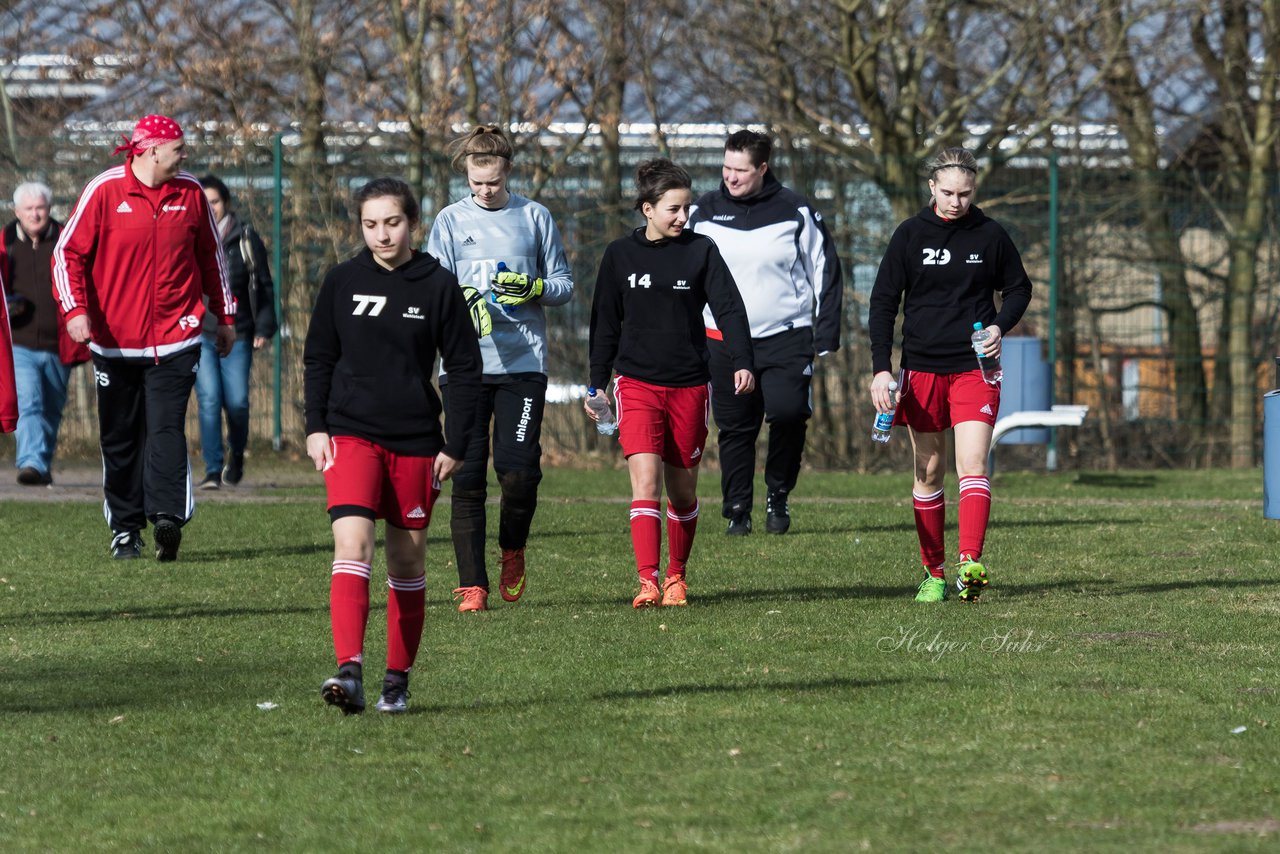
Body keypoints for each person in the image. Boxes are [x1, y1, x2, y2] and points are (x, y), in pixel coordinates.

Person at [304, 177, 483, 714]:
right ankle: (349, 670)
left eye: (393, 222)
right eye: (371, 224)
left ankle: (396, 682)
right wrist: (316, 426)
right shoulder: (341, 281)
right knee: (352, 545)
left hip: (416, 443)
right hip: (350, 433)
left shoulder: (438, 285)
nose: (382, 234)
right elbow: (318, 360)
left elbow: (467, 370)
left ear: (413, 223)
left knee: (406, 565)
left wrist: (456, 441)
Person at [52, 115, 236, 561]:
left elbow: (212, 257)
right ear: (151, 149)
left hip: (177, 337)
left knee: (167, 427)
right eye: (178, 147)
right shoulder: (104, 190)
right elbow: (66, 253)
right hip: (114, 342)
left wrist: (225, 316)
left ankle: (168, 517)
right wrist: (75, 311)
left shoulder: (190, 192)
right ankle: (125, 528)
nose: (184, 155)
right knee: (120, 436)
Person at [587, 158, 755, 608]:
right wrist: (596, 383)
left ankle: (677, 577)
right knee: (646, 483)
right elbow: (604, 323)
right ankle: (648, 580)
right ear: (647, 209)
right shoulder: (620, 256)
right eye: (674, 209)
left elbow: (730, 308)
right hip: (636, 383)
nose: (683, 218)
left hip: (690, 386)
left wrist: (742, 360)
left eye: (687, 209)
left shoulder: (701, 250)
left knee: (682, 491)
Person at [867, 147, 1032, 603]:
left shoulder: (990, 234)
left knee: (973, 464)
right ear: (931, 188)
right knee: (929, 469)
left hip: (975, 369)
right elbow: (882, 303)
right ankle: (934, 572)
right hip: (921, 369)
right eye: (948, 192)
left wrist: (1000, 325)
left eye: (966, 193)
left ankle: (969, 562)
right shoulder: (909, 235)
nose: (957, 201)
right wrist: (882, 370)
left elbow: (1019, 288)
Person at [425, 124, 574, 612]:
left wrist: (533, 288)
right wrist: (462, 298)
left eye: (491, 181)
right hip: (464, 367)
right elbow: (431, 290)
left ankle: (514, 548)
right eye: (475, 181)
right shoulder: (448, 221)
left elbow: (564, 284)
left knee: (518, 472)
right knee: (466, 476)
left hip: (523, 365)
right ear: (465, 173)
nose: (483, 190)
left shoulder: (534, 217)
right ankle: (473, 585)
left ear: (507, 171)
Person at [688, 129, 843, 536]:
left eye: (740, 170)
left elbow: (825, 267)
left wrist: (826, 333)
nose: (730, 177)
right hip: (721, 339)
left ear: (762, 167)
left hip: (786, 334)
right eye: (725, 167)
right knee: (735, 427)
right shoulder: (702, 211)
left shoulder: (795, 210)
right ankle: (738, 509)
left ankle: (779, 491)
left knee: (789, 413)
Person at [194, 174, 278, 489]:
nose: (209, 207)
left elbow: (264, 284)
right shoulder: (189, 236)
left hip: (238, 330)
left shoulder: (245, 237)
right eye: (203, 202)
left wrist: (265, 326)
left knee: (238, 401)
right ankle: (213, 469)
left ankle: (237, 454)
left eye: (214, 201)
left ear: (225, 202)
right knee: (210, 398)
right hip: (199, 332)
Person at [3, 182, 89, 485]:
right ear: (17, 212)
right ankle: (30, 461)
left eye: (40, 208)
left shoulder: (67, 239)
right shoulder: (5, 242)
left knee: (52, 407)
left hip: (59, 343)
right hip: (19, 343)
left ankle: (42, 463)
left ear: (49, 209)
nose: (35, 214)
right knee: (29, 402)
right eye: (29, 209)